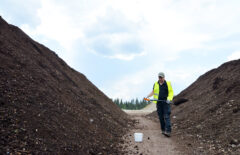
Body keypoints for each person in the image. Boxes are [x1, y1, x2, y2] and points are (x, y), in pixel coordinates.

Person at [146, 72, 174, 137]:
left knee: (166, 116)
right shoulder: (155, 84)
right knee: (161, 117)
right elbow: (153, 92)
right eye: (159, 77)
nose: (160, 78)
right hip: (159, 103)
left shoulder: (168, 83)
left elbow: (171, 92)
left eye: (161, 77)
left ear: (164, 77)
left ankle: (168, 131)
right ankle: (163, 130)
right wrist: (148, 96)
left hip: (166, 103)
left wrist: (169, 99)